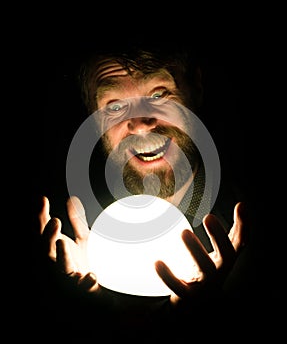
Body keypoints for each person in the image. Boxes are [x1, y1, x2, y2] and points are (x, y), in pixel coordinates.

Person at [29, 40, 260, 339]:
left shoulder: (255, 232)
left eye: (159, 95)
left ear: (195, 90)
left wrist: (212, 316)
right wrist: (99, 315)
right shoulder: (62, 240)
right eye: (114, 106)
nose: (139, 125)